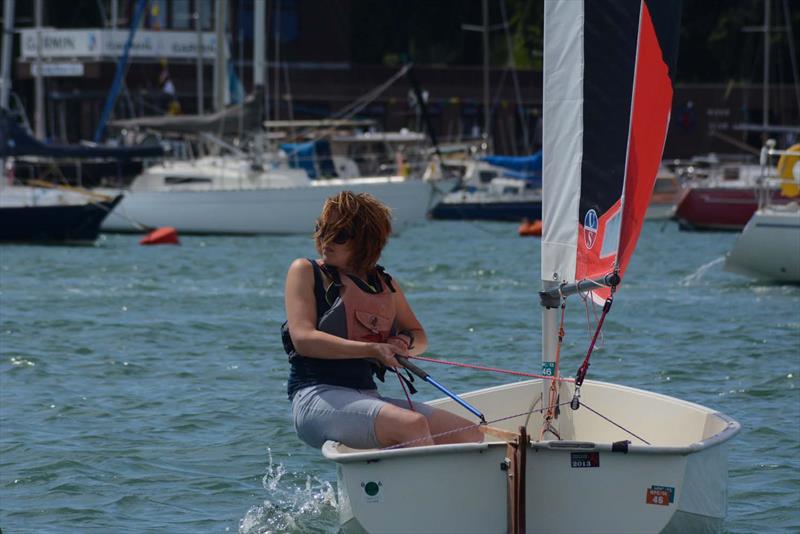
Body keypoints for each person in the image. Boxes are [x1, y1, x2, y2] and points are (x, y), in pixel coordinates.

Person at [283, 191, 483, 450]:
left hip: (365, 396)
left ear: (364, 241)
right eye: (322, 229)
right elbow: (304, 340)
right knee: (411, 425)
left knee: (469, 434)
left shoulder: (385, 284)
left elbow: (419, 337)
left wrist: (400, 342)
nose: (325, 240)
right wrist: (373, 349)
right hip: (315, 396)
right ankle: (423, 488)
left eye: (339, 234)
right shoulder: (305, 271)